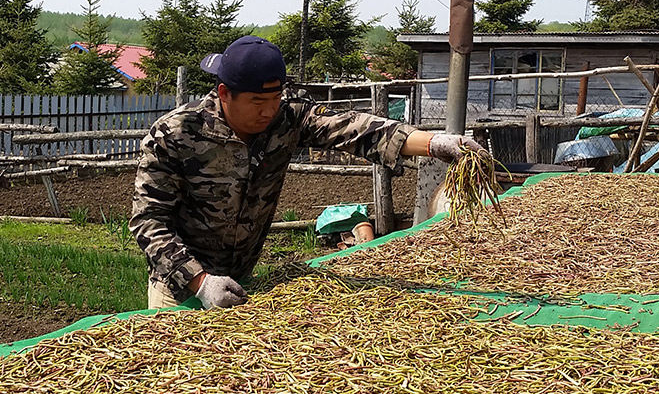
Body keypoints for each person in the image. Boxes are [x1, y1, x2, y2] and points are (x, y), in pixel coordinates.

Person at [130, 35, 485, 310]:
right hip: (179, 287)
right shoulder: (176, 134)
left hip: (241, 279)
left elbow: (357, 129)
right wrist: (201, 282)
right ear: (224, 93)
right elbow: (148, 220)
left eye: (274, 99)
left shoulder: (287, 118)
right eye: (257, 102)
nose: (268, 111)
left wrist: (435, 143)